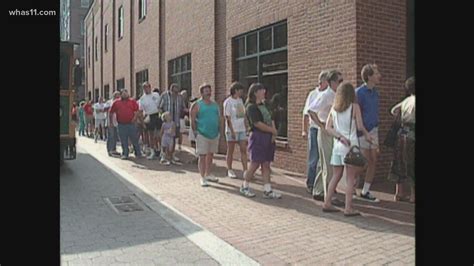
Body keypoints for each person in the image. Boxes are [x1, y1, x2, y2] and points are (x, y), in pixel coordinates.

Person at [322, 82, 373, 216]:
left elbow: (328, 127)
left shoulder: (334, 108)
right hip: (351, 146)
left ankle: (327, 202)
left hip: (337, 146)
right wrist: (367, 135)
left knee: (336, 176)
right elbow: (360, 126)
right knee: (350, 178)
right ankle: (348, 208)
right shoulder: (354, 107)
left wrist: (339, 137)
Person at [308, 70, 345, 207]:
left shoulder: (335, 95)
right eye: (339, 81)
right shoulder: (326, 95)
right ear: (332, 82)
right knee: (329, 164)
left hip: (333, 132)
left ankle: (318, 190)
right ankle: (327, 194)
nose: (341, 83)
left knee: (326, 162)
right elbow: (311, 110)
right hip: (326, 132)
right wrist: (321, 125)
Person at [240, 83, 281, 199]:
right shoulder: (251, 107)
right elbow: (257, 123)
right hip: (258, 137)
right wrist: (272, 130)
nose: (264, 91)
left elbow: (271, 118)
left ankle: (267, 190)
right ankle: (245, 186)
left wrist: (273, 133)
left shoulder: (265, 105)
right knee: (255, 163)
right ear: (255, 92)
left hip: (268, 137)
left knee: (266, 163)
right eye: (261, 90)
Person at [356, 64, 382, 202]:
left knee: (373, 160)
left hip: (374, 130)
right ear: (369, 76)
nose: (379, 76)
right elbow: (355, 113)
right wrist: (361, 130)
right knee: (363, 162)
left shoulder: (376, 93)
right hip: (362, 131)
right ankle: (350, 182)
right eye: (376, 73)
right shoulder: (359, 92)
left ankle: (365, 191)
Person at [302, 70, 329, 193]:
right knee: (314, 157)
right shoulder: (313, 94)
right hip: (314, 128)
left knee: (325, 159)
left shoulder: (330, 94)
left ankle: (324, 184)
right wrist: (304, 130)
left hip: (327, 130)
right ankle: (311, 183)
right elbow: (307, 113)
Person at [390, 76, 415, 203]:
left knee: (399, 163)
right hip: (412, 135)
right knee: (412, 164)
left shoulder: (406, 101)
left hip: (401, 134)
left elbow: (393, 110)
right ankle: (413, 196)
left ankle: (398, 193)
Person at [190, 83, 221, 187]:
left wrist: (219, 130)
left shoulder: (215, 105)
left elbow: (219, 118)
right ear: (202, 93)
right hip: (202, 133)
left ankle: (208, 173)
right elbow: (192, 119)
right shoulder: (197, 105)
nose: (208, 92)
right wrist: (195, 131)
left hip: (214, 134)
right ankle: (202, 177)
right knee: (202, 156)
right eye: (206, 91)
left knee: (211, 154)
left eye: (209, 90)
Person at [223, 82, 249, 179]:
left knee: (243, 149)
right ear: (235, 90)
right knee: (231, 150)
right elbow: (227, 118)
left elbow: (242, 115)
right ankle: (229, 169)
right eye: (240, 90)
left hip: (241, 129)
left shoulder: (240, 101)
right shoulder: (228, 102)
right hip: (232, 130)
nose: (242, 92)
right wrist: (232, 131)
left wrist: (246, 127)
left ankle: (246, 170)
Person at [109, 89, 143, 159]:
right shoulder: (116, 102)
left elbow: (137, 111)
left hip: (131, 124)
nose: (125, 95)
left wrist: (135, 118)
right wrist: (111, 122)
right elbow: (111, 112)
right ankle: (125, 153)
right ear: (121, 94)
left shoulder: (132, 101)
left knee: (134, 139)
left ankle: (138, 153)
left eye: (126, 93)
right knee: (123, 140)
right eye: (123, 93)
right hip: (121, 124)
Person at [159, 83, 185, 163]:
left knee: (173, 139)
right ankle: (163, 154)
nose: (175, 94)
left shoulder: (180, 97)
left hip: (175, 122)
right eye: (174, 92)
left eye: (177, 92)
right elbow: (160, 107)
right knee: (164, 139)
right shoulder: (164, 96)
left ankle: (172, 154)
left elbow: (183, 107)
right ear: (171, 90)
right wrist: (162, 117)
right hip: (166, 121)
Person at [139, 82, 162, 160]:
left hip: (157, 115)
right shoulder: (142, 99)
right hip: (149, 116)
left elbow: (160, 104)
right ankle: (152, 151)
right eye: (145, 87)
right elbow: (140, 111)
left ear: (150, 87)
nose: (146, 89)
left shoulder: (156, 95)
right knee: (151, 135)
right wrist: (142, 122)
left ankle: (162, 151)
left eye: (148, 87)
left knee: (159, 134)